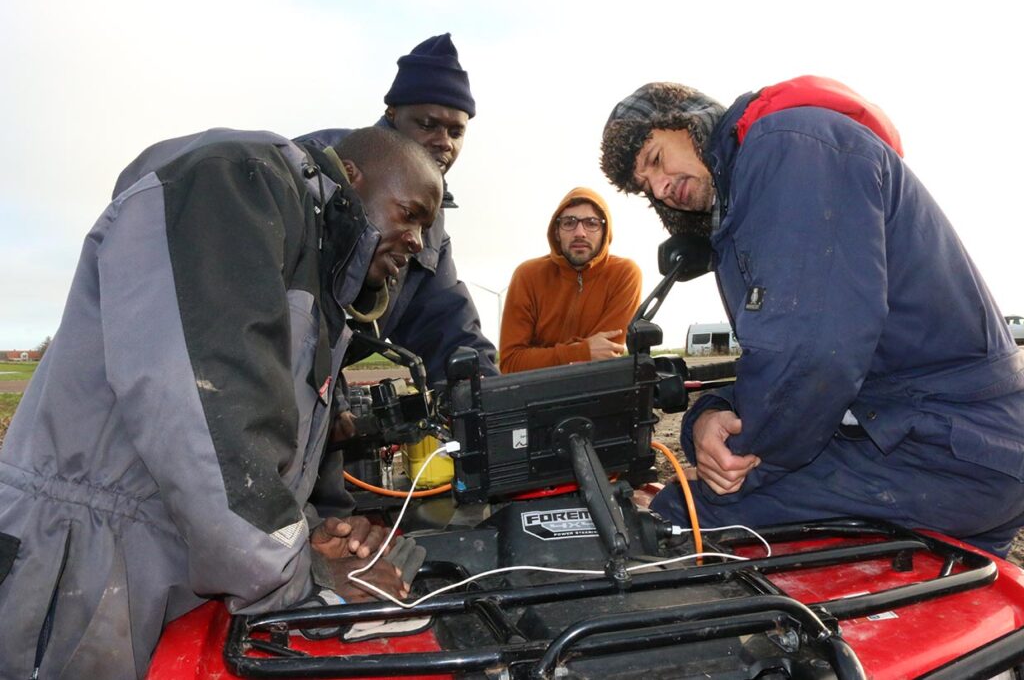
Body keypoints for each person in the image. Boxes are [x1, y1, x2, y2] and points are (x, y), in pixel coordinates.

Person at [0, 126, 440, 679]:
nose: (419, 242)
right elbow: (207, 415)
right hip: (80, 568)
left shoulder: (316, 280)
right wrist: (304, 573)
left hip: (165, 564)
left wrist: (315, 533)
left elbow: (269, 457)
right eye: (411, 213)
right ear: (352, 177)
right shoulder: (237, 180)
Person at [600, 75, 1024, 557]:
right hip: (955, 443)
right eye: (645, 187)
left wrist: (740, 463)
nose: (660, 187)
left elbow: (811, 355)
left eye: (655, 160)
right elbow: (784, 358)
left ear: (687, 123)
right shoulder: (753, 194)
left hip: (943, 449)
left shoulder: (787, 148)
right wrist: (708, 415)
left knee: (675, 519)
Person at [295, 33, 498, 383]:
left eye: (456, 131)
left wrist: (490, 399)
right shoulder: (315, 168)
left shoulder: (429, 229)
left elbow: (444, 326)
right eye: (428, 124)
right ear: (392, 112)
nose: (444, 142)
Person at [499, 187, 642, 373]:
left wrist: (539, 357)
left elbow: (605, 356)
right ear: (556, 231)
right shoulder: (527, 276)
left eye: (591, 223)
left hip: (597, 394)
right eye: (569, 222)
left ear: (605, 231)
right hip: (535, 396)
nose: (580, 232)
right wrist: (581, 351)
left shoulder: (624, 274)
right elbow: (511, 363)